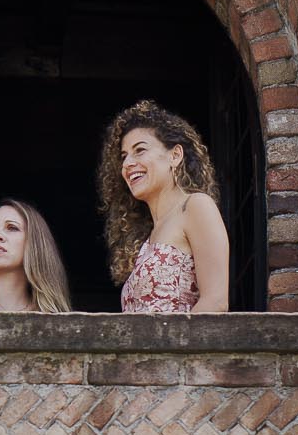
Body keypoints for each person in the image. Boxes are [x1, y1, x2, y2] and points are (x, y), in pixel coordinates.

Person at [97, 101, 230, 314]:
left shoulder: (196, 206)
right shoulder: (147, 239)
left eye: (139, 150)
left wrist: (173, 347)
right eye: (124, 156)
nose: (127, 164)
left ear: (175, 155)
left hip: (179, 347)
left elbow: (215, 302)